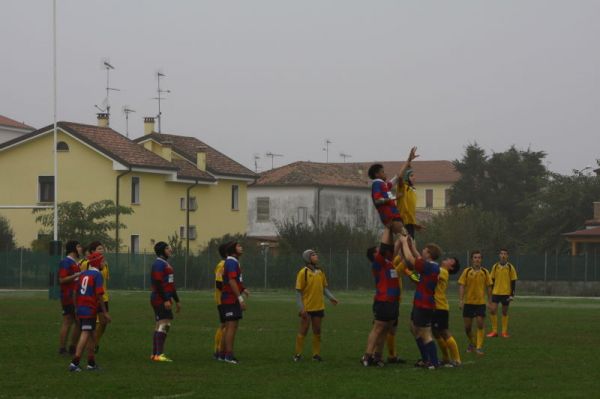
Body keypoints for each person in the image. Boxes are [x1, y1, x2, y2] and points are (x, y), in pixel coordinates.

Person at [399, 235, 442, 369]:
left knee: (425, 333)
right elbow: (418, 258)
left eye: (425, 249)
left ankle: (433, 363)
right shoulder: (430, 265)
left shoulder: (429, 267)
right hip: (420, 303)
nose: (422, 251)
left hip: (424, 304)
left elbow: (411, 259)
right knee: (413, 328)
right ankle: (426, 359)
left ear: (429, 254)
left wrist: (403, 243)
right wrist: (413, 247)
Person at [68, 251, 111, 371]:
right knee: (86, 333)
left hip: (81, 308)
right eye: (102, 261)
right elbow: (99, 295)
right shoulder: (97, 276)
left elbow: (74, 292)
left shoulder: (83, 274)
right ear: (97, 262)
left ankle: (91, 363)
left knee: (92, 335)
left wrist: (76, 308)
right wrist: (105, 312)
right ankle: (74, 362)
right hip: (89, 308)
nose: (104, 263)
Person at [294, 249, 338, 362]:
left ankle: (316, 355)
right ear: (308, 258)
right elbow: (298, 292)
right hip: (307, 308)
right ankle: (297, 354)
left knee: (317, 330)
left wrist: (331, 298)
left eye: (315, 254)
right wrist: (301, 308)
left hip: (319, 307)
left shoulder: (320, 271)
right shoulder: (303, 272)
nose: (316, 256)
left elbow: (324, 288)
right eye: (313, 255)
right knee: (303, 330)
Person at [362, 241, 401, 367]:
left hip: (394, 301)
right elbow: (390, 246)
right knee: (378, 328)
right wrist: (400, 236)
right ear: (375, 255)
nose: (381, 249)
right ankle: (368, 356)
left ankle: (378, 356)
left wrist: (406, 239)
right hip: (383, 300)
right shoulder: (378, 263)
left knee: (387, 329)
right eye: (378, 249)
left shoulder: (390, 263)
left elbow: (403, 257)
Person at [368, 148, 418, 241]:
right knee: (407, 240)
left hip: (393, 217)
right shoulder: (377, 183)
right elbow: (377, 200)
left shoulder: (384, 185)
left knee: (400, 244)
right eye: (382, 171)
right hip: (391, 217)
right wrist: (395, 198)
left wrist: (408, 160)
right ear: (376, 174)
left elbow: (398, 176)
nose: (385, 173)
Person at [150, 242, 181, 362]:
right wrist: (165, 300)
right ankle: (159, 354)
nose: (170, 250)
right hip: (159, 299)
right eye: (167, 248)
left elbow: (171, 285)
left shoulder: (166, 265)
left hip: (162, 298)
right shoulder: (159, 264)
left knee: (160, 325)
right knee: (165, 324)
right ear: (162, 251)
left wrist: (177, 300)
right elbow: (158, 283)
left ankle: (154, 354)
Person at [458, 250, 493, 355]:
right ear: (472, 259)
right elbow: (462, 286)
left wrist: (489, 301)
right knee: (467, 328)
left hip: (480, 303)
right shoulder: (467, 271)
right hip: (468, 303)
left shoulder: (485, 272)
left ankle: (479, 347)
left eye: (479, 257)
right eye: (475, 257)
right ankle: (472, 343)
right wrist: (461, 300)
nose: (477, 259)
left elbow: (489, 287)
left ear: (481, 259)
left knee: (480, 324)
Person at [220, 241, 249, 364]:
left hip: (230, 298)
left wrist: (243, 289)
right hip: (230, 299)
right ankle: (229, 356)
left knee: (229, 327)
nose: (241, 247)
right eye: (238, 246)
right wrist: (240, 298)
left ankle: (221, 354)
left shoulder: (233, 261)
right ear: (233, 249)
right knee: (231, 327)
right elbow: (231, 281)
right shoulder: (231, 262)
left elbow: (236, 281)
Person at [79, 241, 110, 353]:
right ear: (92, 251)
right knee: (92, 325)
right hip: (91, 298)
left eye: (102, 248)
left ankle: (94, 343)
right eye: (99, 248)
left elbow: (105, 281)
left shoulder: (105, 264)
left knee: (103, 323)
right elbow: (80, 278)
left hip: (103, 297)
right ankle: (90, 347)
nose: (102, 250)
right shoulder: (85, 264)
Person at [432, 255, 462, 366]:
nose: (447, 259)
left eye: (451, 260)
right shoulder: (440, 270)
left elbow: (427, 276)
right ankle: (446, 358)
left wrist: (411, 271)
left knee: (444, 332)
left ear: (451, 267)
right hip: (435, 306)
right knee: (436, 333)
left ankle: (457, 359)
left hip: (440, 307)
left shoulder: (443, 271)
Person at [58, 240, 83, 355]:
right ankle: (62, 348)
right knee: (68, 321)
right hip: (68, 296)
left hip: (76, 297)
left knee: (78, 322)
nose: (80, 248)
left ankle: (73, 347)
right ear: (73, 248)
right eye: (78, 246)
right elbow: (62, 279)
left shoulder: (75, 263)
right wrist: (76, 275)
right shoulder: (66, 262)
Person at [487, 248, 518, 338]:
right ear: (499, 255)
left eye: (505, 254)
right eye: (501, 254)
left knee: (504, 312)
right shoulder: (495, 266)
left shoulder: (510, 267)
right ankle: (494, 331)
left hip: (506, 293)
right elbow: (491, 280)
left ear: (507, 256)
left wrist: (512, 294)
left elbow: (513, 281)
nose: (503, 255)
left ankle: (504, 332)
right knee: (493, 311)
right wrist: (490, 292)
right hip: (496, 292)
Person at [396, 147, 420, 239]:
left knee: (410, 247)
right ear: (406, 177)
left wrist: (414, 224)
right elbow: (400, 176)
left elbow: (410, 211)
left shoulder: (412, 190)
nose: (414, 177)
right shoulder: (403, 187)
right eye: (411, 175)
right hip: (402, 223)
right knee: (405, 249)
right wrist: (408, 160)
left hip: (410, 225)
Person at [213, 242, 229, 360]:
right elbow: (219, 283)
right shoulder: (222, 264)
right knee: (224, 324)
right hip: (222, 300)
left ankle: (219, 350)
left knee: (226, 324)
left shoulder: (228, 264)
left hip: (226, 299)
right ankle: (218, 350)